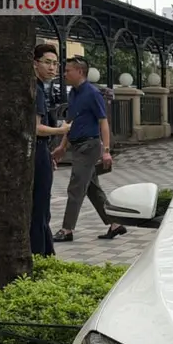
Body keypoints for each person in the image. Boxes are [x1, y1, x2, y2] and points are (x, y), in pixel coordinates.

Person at [51, 57, 125, 242]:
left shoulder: (93, 93)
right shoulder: (73, 94)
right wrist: (62, 146)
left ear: (80, 72)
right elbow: (70, 122)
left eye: (68, 70)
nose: (64, 74)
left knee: (75, 187)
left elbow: (103, 122)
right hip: (77, 145)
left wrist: (106, 151)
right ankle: (115, 224)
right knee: (92, 188)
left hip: (89, 146)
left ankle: (67, 230)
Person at [32, 44, 69, 256]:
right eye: (47, 62)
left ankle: (43, 252)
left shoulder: (40, 88)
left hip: (41, 152)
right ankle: (41, 254)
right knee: (40, 207)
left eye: (55, 63)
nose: (52, 68)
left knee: (41, 207)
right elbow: (36, 128)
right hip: (37, 151)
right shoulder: (36, 90)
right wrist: (61, 130)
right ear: (35, 63)